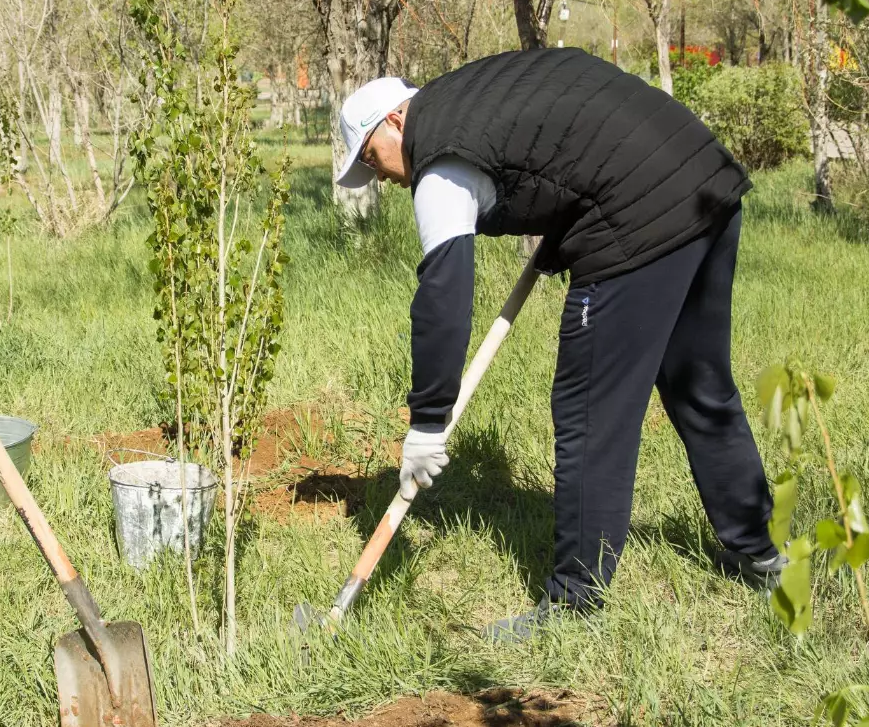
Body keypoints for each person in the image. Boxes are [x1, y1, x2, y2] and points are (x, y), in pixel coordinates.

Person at [335, 47, 785, 643]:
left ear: (396, 120)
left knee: (589, 409)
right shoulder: (471, 92)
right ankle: (758, 553)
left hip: (642, 215)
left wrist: (428, 418)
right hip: (700, 175)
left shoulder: (438, 161)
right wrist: (564, 221)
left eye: (374, 157)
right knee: (696, 382)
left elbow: (444, 295)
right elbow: (565, 131)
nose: (387, 177)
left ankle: (575, 602)